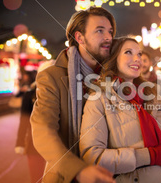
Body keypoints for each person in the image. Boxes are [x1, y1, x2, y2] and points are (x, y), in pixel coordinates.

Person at [79, 37, 161, 182]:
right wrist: (150, 156)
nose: (137, 58)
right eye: (128, 52)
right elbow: (92, 157)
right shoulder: (100, 100)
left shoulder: (151, 96)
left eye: (139, 54)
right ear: (114, 59)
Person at [30, 7, 117, 183]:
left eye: (110, 31)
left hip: (115, 172)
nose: (108, 37)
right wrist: (79, 170)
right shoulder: (53, 76)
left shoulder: (116, 75)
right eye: (100, 31)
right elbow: (43, 131)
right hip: (69, 176)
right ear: (79, 37)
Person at [15, 61, 54, 183]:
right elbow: (24, 120)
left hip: (55, 144)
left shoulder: (61, 92)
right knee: (37, 177)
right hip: (34, 144)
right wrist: (20, 142)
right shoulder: (30, 93)